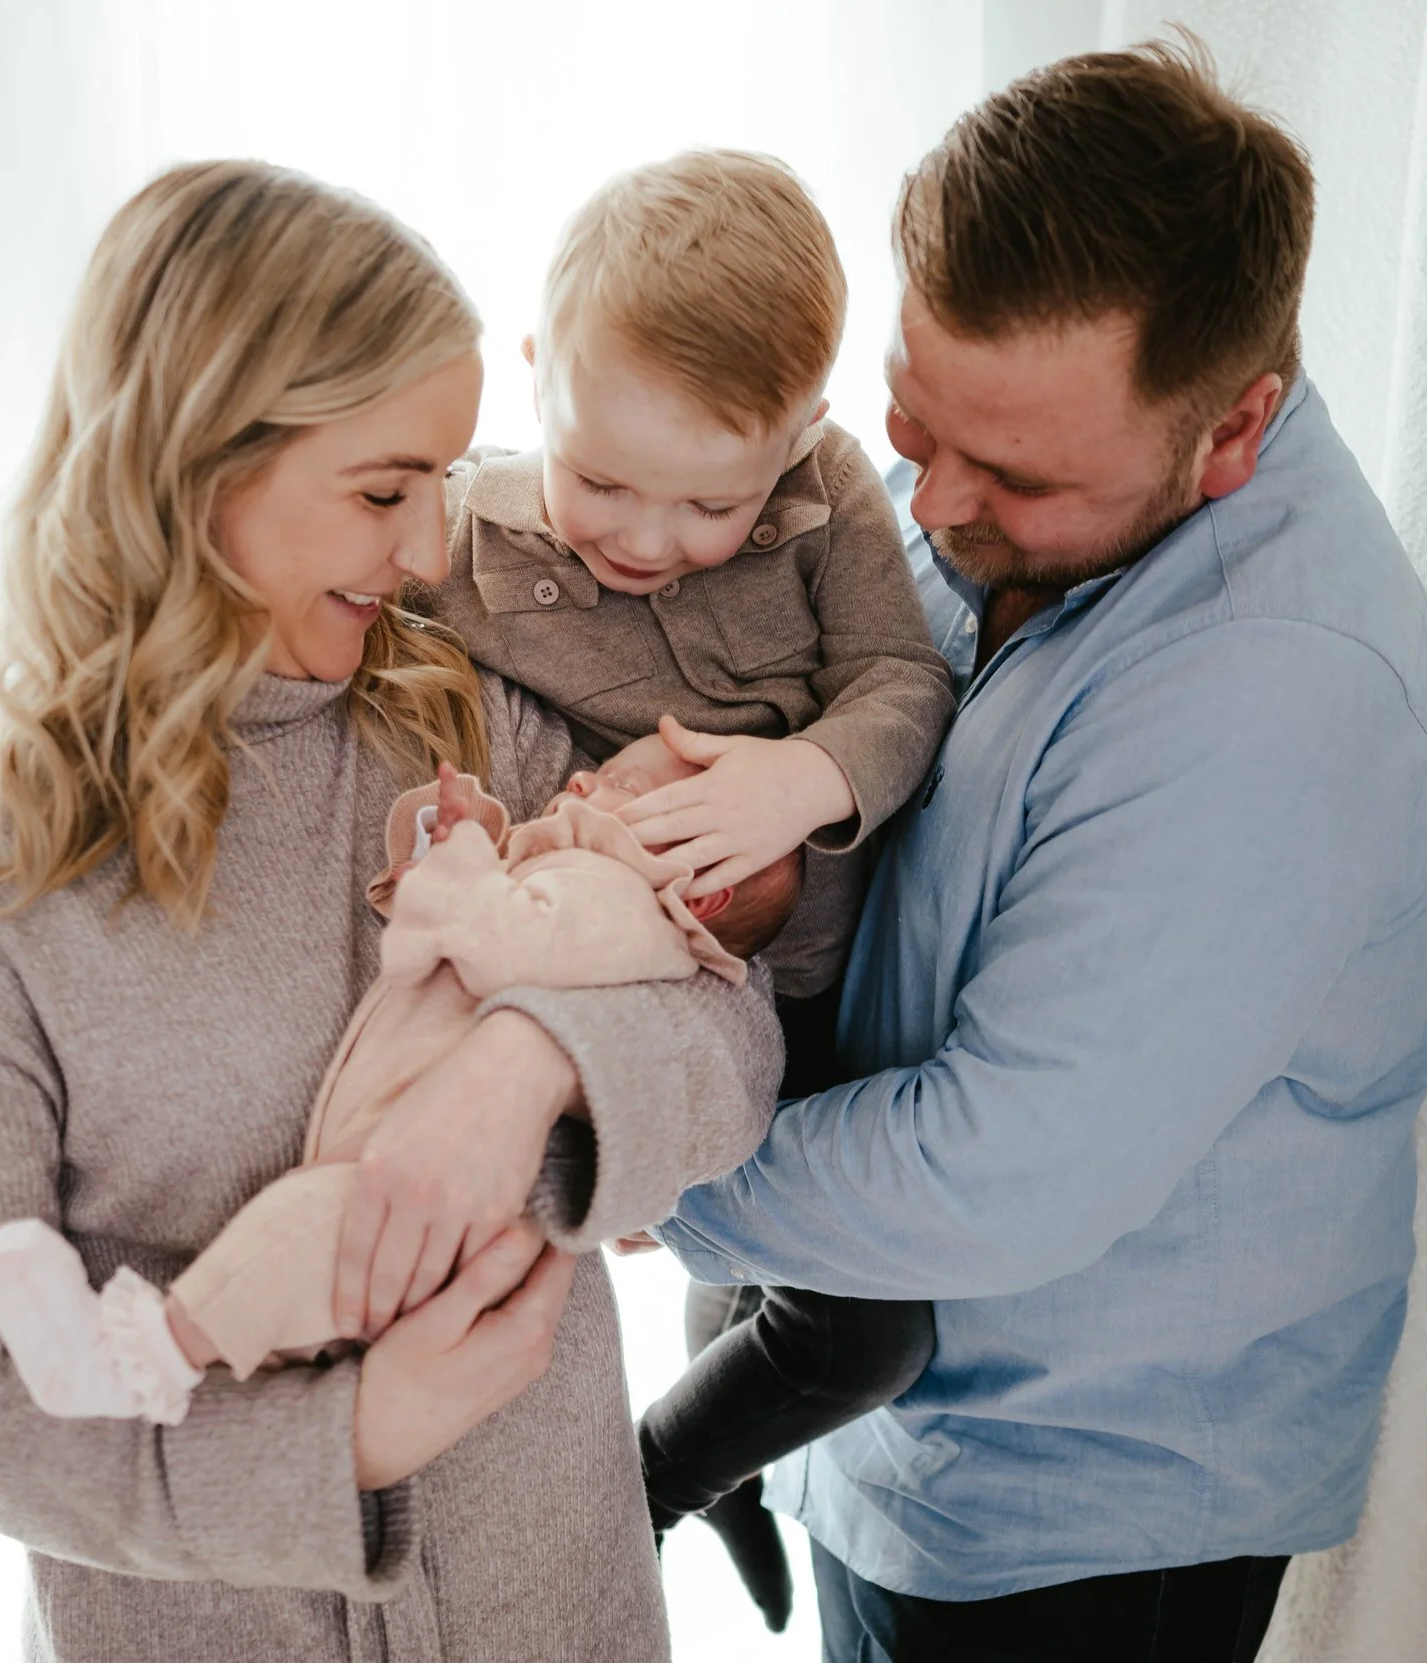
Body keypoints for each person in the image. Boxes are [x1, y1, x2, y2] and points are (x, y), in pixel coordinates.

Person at [0, 160, 781, 1663]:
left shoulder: (464, 716)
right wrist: (345, 1439)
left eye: (445, 481)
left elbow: (732, 1024)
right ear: (199, 465)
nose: (428, 551)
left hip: (562, 1612)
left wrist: (527, 1063)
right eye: (383, 489)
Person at [652, 40, 1427, 1663]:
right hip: (908, 1426)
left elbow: (995, 1166)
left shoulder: (1274, 695)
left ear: (1231, 429)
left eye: (1015, 474)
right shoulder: (994, 489)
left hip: (1078, 1521)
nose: (927, 495)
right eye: (911, 417)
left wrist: (643, 1157)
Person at [414, 149, 955, 1629]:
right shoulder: (466, 536)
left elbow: (904, 681)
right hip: (662, 997)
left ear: (803, 438)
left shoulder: (828, 497)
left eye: (711, 502)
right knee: (862, 1323)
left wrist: (800, 780)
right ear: (538, 378)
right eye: (599, 479)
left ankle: (697, 1482)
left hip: (833, 992)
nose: (645, 540)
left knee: (810, 1309)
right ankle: (651, 1492)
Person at [0, 734, 802, 1419]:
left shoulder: (621, 904)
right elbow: (469, 919)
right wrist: (448, 842)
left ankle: (144, 1356)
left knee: (298, 1228)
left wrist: (471, 861)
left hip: (407, 1203)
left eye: (620, 783)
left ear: (705, 892)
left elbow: (507, 943)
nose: (584, 773)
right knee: (295, 1230)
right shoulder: (578, 878)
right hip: (390, 1132)